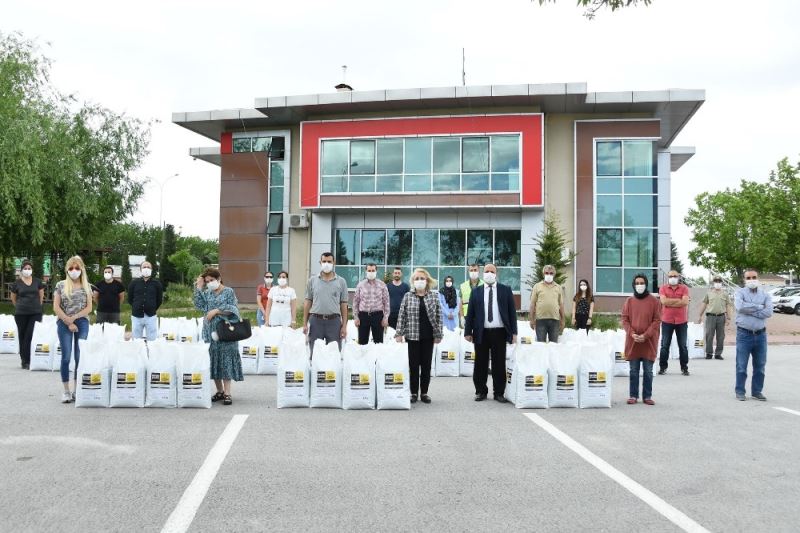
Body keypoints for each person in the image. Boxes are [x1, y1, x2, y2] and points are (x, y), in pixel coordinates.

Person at [464, 264, 517, 403]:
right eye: (486, 271)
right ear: (483, 273)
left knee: (499, 364)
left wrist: (514, 333)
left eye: (491, 271)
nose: (489, 273)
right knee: (480, 363)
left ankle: (499, 392)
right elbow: (470, 314)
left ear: (496, 273)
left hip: (499, 332)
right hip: (481, 332)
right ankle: (481, 391)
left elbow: (512, 313)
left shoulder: (505, 290)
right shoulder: (476, 292)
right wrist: (467, 331)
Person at [194, 268, 243, 405]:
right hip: (210, 331)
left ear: (219, 278)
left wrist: (217, 311)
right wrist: (199, 287)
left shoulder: (228, 291)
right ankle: (219, 391)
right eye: (207, 281)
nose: (210, 283)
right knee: (214, 360)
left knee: (226, 359)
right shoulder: (207, 292)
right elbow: (199, 305)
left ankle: (227, 393)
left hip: (226, 330)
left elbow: (233, 309)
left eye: (212, 280)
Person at [395, 268, 442, 404]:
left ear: (427, 281)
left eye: (422, 278)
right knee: (414, 366)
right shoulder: (408, 296)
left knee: (426, 366)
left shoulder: (433, 296)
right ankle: (414, 393)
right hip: (412, 335)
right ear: (413, 282)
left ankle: (425, 393)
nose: (420, 281)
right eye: (417, 279)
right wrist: (399, 333)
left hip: (428, 336)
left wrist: (439, 334)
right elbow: (401, 316)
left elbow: (439, 316)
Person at [53, 256, 92, 403]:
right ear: (67, 270)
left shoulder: (87, 285)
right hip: (63, 322)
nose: (74, 271)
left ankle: (77, 390)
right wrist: (68, 321)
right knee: (66, 357)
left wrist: (74, 318)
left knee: (79, 357)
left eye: (77, 268)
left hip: (82, 321)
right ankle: (66, 391)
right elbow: (56, 307)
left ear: (81, 269)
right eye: (71, 268)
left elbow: (89, 307)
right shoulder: (60, 285)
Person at [621, 274, 661, 405]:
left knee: (648, 371)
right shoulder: (629, 301)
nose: (639, 285)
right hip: (633, 341)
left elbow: (656, 321)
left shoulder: (654, 301)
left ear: (646, 284)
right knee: (633, 370)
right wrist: (632, 334)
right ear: (633, 285)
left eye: (642, 283)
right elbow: (625, 320)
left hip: (648, 341)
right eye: (637, 283)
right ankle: (633, 395)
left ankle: (647, 396)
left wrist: (645, 335)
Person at [734, 270, 772, 401]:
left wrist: (749, 309)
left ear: (758, 278)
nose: (751, 279)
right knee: (741, 365)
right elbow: (740, 307)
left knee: (760, 366)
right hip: (744, 334)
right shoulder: (739, 293)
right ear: (744, 279)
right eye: (748, 278)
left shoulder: (765, 295)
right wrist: (759, 306)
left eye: (754, 277)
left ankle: (756, 391)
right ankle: (740, 391)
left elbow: (768, 312)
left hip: (761, 335)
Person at [303, 252, 348, 356]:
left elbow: (344, 305)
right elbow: (307, 302)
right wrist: (305, 323)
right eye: (324, 261)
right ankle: (315, 371)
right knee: (314, 353)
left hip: (334, 322)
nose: (326, 264)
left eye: (329, 261)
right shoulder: (312, 280)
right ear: (320, 262)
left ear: (334, 263)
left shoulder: (341, 281)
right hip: (315, 321)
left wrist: (344, 326)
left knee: (334, 354)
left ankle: (332, 372)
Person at [10, 259, 44, 369]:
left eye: (29, 268)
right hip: (21, 313)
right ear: (22, 270)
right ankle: (24, 360)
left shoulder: (38, 281)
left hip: (35, 313)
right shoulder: (17, 283)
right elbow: (13, 298)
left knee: (30, 335)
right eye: (25, 268)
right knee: (22, 335)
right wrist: (19, 306)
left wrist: (37, 306)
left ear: (32, 270)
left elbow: (41, 296)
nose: (27, 270)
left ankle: (29, 359)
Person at [658, 270, 690, 376]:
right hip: (667, 321)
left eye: (674, 276)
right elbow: (663, 301)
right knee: (664, 345)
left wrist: (669, 301)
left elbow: (685, 302)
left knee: (683, 346)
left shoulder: (684, 288)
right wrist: (678, 301)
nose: (672, 277)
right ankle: (663, 367)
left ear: (678, 277)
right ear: (668, 277)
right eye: (670, 276)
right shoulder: (663, 288)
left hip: (682, 321)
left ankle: (684, 368)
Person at [352, 263, 389, 344]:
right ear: (366, 271)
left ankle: (378, 357)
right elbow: (355, 302)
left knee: (378, 343)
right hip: (363, 316)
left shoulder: (382, 285)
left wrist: (385, 318)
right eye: (369, 270)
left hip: (378, 316)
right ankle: (363, 356)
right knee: (362, 342)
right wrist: (356, 317)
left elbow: (386, 303)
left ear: (376, 271)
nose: (371, 272)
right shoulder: (360, 285)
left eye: (373, 270)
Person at [696, 275, 731, 360]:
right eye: (716, 281)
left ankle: (718, 353)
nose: (718, 283)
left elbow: (728, 306)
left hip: (721, 317)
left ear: (722, 283)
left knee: (721, 336)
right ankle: (709, 353)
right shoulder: (709, 293)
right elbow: (704, 304)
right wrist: (699, 315)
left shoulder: (725, 294)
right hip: (710, 317)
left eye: (719, 281)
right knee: (709, 335)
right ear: (713, 283)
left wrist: (729, 318)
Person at [127, 260, 163, 341]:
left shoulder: (157, 284)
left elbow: (159, 300)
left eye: (148, 267)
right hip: (136, 316)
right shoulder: (133, 283)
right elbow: (130, 299)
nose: (146, 269)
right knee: (136, 340)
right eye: (144, 267)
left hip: (151, 317)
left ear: (151, 269)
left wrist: (152, 308)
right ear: (140, 269)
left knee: (152, 340)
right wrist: (136, 306)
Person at [529, 264, 564, 342]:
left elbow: (561, 305)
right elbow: (532, 304)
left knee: (554, 346)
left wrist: (563, 320)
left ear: (554, 274)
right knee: (541, 346)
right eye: (547, 273)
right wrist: (531, 319)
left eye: (551, 273)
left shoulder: (558, 287)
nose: (549, 275)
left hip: (555, 320)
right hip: (540, 320)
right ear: (543, 274)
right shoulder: (537, 286)